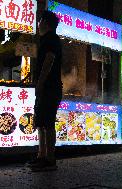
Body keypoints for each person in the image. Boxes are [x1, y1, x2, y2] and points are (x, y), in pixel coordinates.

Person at [27, 10, 62, 171]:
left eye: (40, 20)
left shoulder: (51, 39)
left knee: (47, 123)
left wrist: (40, 83)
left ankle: (50, 159)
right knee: (40, 122)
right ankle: (41, 155)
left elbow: (49, 60)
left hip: (50, 88)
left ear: (46, 23)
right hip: (46, 88)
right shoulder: (45, 40)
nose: (38, 23)